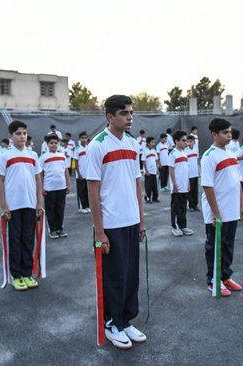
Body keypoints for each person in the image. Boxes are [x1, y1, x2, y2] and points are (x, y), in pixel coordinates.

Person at [86, 95, 146, 350]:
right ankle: (111, 323)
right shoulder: (97, 146)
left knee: (131, 276)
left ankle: (126, 320)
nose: (130, 117)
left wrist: (141, 221)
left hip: (131, 221)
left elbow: (136, 183)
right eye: (124, 113)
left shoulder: (133, 144)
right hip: (110, 224)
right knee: (114, 277)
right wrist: (99, 231)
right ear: (110, 117)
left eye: (131, 112)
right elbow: (92, 190)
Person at [0, 120, 43, 291]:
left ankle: (27, 273)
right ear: (11, 136)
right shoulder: (5, 155)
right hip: (13, 206)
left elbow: (38, 179)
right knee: (15, 240)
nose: (22, 136)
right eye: (18, 133)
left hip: (30, 204)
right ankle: (16, 275)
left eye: (24, 133)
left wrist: (38, 202)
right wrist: (4, 205)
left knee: (28, 239)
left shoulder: (33, 155)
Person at [201, 118, 243, 296]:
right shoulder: (209, 156)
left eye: (230, 132)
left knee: (228, 245)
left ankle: (225, 275)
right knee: (215, 246)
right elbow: (207, 186)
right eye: (225, 133)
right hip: (218, 212)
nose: (230, 135)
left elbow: (238, 181)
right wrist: (216, 213)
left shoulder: (231, 154)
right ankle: (213, 279)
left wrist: (242, 205)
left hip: (232, 210)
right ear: (214, 135)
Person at [40, 133, 71, 239]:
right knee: (50, 209)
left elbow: (66, 171)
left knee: (60, 209)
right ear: (47, 144)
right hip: (49, 188)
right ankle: (52, 229)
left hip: (61, 187)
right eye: (51, 143)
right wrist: (41, 188)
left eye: (55, 143)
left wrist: (68, 184)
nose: (53, 145)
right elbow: (41, 174)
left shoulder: (62, 156)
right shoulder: (44, 157)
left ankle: (60, 228)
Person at [168, 130, 192, 236]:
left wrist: (188, 183)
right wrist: (174, 184)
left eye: (186, 141)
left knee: (183, 206)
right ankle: (175, 227)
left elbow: (185, 170)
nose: (185, 143)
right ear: (176, 141)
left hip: (184, 186)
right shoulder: (173, 153)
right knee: (176, 207)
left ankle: (183, 226)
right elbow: (171, 170)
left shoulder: (184, 153)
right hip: (177, 186)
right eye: (183, 140)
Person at [73, 131, 90, 213]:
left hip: (88, 174)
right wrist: (78, 173)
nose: (84, 139)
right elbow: (76, 162)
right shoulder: (77, 149)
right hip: (80, 174)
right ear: (79, 139)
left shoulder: (89, 148)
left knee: (87, 191)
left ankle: (87, 206)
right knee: (81, 191)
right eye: (82, 138)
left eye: (85, 138)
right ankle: (81, 207)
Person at [141, 136, 159, 203]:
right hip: (148, 172)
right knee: (148, 186)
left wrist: (157, 168)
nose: (153, 143)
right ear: (148, 143)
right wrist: (146, 171)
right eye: (152, 142)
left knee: (154, 186)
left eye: (154, 142)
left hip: (154, 171)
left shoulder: (154, 151)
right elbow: (144, 161)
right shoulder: (145, 151)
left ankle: (155, 198)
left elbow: (156, 160)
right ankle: (148, 198)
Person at [185, 135, 199, 211]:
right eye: (188, 142)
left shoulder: (196, 150)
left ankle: (195, 205)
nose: (189, 143)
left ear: (194, 142)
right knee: (189, 190)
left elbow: (196, 161)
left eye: (191, 142)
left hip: (195, 173)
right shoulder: (185, 151)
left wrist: (198, 171)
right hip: (189, 174)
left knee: (195, 190)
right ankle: (190, 205)